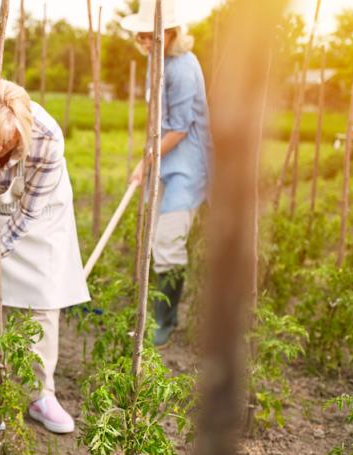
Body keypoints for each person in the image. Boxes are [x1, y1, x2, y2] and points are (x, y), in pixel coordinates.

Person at [0, 80, 90, 434]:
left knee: (42, 301)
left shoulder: (46, 139)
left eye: (4, 143)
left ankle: (41, 394)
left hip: (39, 217)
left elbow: (26, 217)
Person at [122, 0, 212, 346]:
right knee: (154, 237)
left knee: (168, 241)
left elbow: (177, 129)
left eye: (149, 38)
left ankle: (167, 321)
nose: (143, 44)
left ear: (170, 34)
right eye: (140, 38)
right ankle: (159, 311)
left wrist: (145, 161)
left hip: (187, 165)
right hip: (163, 161)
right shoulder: (155, 62)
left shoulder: (183, 68)